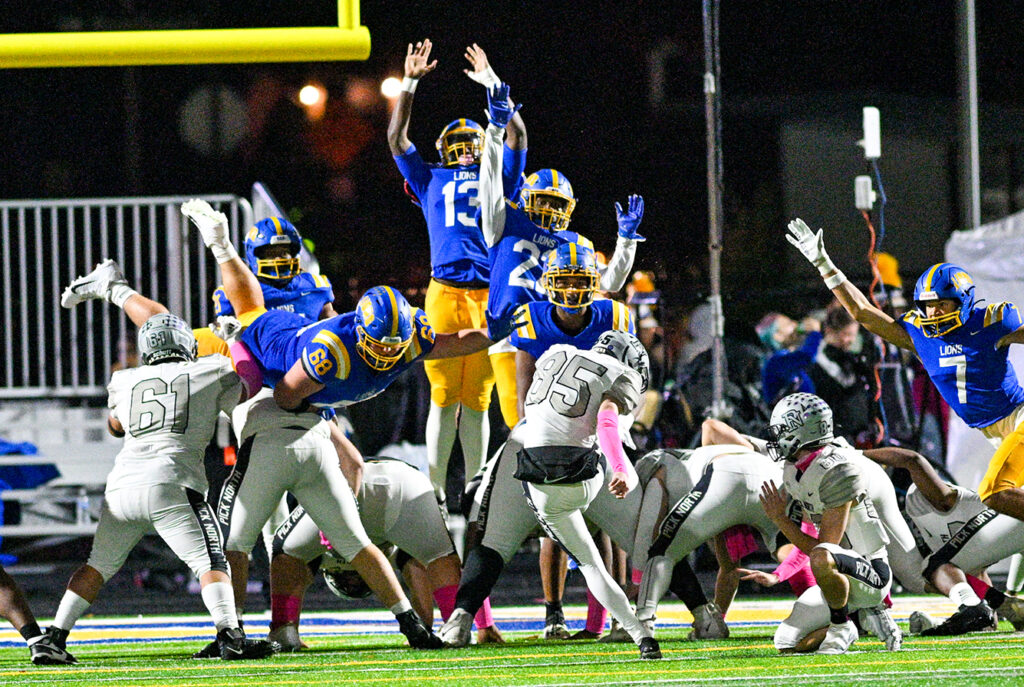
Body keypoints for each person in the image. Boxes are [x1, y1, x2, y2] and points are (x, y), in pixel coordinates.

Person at [46, 264, 275, 661]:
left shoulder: (124, 379)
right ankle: (230, 634)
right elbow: (249, 385)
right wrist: (236, 344)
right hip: (173, 482)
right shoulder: (208, 369)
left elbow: (115, 427)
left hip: (121, 487)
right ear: (186, 344)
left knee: (97, 565)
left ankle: (54, 637)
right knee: (210, 560)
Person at [439, 330, 661, 659]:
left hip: (536, 474)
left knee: (580, 558)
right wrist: (619, 468)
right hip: (585, 476)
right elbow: (607, 421)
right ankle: (640, 634)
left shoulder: (556, 352)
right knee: (594, 554)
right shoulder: (622, 375)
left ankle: (460, 621)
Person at [787, 218, 1024, 523]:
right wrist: (823, 264)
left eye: (942, 305)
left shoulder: (991, 324)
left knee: (995, 492)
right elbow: (862, 312)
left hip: (1018, 418)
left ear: (962, 302)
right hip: (993, 432)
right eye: (928, 305)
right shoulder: (920, 335)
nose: (933, 312)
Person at [388, 39, 527, 506]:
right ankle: (434, 490)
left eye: (474, 143)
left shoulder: (496, 176)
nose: (469, 151)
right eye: (460, 145)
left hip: (491, 292)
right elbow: (396, 139)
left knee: (479, 398)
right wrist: (408, 84)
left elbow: (516, 137)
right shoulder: (429, 177)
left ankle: (474, 488)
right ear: (445, 150)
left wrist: (493, 87)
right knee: (445, 395)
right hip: (446, 291)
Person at [477, 84, 644, 430]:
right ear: (526, 199)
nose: (551, 210)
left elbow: (608, 282)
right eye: (544, 200)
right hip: (511, 331)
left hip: (551, 329)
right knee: (520, 423)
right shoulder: (505, 222)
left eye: (557, 203)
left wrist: (626, 241)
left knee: (564, 420)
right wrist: (494, 131)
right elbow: (490, 183)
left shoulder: (574, 241)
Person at [508, 241, 636, 639]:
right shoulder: (531, 319)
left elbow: (626, 379)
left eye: (580, 281)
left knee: (607, 524)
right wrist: (531, 433)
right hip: (554, 431)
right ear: (549, 282)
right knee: (554, 526)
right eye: (564, 280)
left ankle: (607, 618)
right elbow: (523, 387)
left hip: (604, 427)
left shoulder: (614, 315)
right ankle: (554, 614)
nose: (572, 290)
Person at [267, 457, 503, 649]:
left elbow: (286, 559)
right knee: (438, 557)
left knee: (284, 550)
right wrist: (426, 629)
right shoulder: (397, 553)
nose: (353, 575)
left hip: (348, 484)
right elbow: (420, 567)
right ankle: (457, 627)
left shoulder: (321, 556)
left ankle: (284, 629)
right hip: (404, 482)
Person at [761, 392, 900, 654]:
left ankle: (842, 624)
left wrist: (780, 519)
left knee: (823, 557)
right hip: (838, 574)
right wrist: (778, 574)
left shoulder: (837, 470)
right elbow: (808, 535)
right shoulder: (797, 469)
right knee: (785, 643)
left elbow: (825, 548)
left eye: (781, 429)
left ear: (801, 431)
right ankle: (859, 619)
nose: (776, 437)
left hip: (871, 573)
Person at [865, 447, 1024, 635]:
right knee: (939, 570)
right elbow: (986, 616)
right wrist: (1010, 598)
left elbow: (913, 460)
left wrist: (857, 453)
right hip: (1008, 526)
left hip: (1009, 518)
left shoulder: (920, 499)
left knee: (932, 566)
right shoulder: (969, 549)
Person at [808, 303, 881, 446]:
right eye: (846, 335)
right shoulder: (819, 359)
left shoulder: (848, 358)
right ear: (829, 331)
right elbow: (846, 384)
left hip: (857, 433)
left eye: (853, 335)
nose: (851, 340)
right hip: (835, 433)